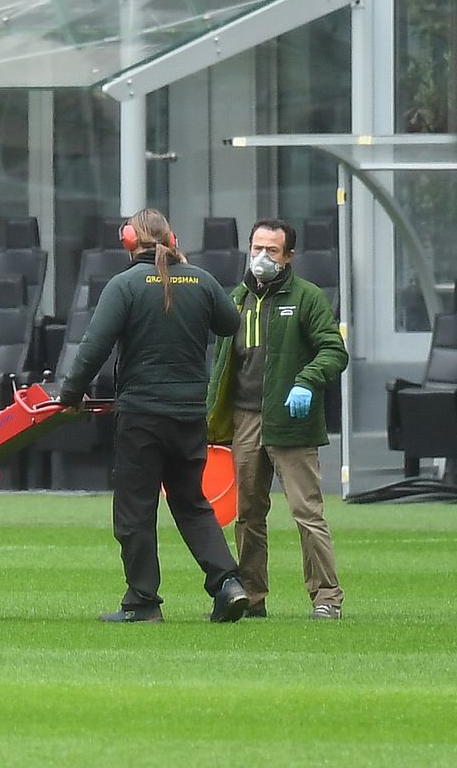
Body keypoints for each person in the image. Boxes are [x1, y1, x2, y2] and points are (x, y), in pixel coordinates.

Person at [59, 208, 248, 623]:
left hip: (141, 415)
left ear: (129, 242)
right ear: (173, 239)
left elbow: (94, 346)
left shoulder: (124, 285)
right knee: (192, 502)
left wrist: (70, 394)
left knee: (135, 510)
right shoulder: (201, 280)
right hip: (188, 416)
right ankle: (228, 584)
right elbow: (230, 322)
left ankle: (142, 601)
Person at [206, 218, 348, 620]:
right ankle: (251, 596)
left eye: (271, 250)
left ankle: (326, 598)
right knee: (248, 514)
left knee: (307, 512)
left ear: (288, 257)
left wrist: (306, 381)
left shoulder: (306, 298)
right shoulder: (236, 299)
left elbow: (334, 352)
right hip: (245, 419)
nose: (262, 257)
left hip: (291, 420)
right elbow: (222, 365)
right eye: (256, 249)